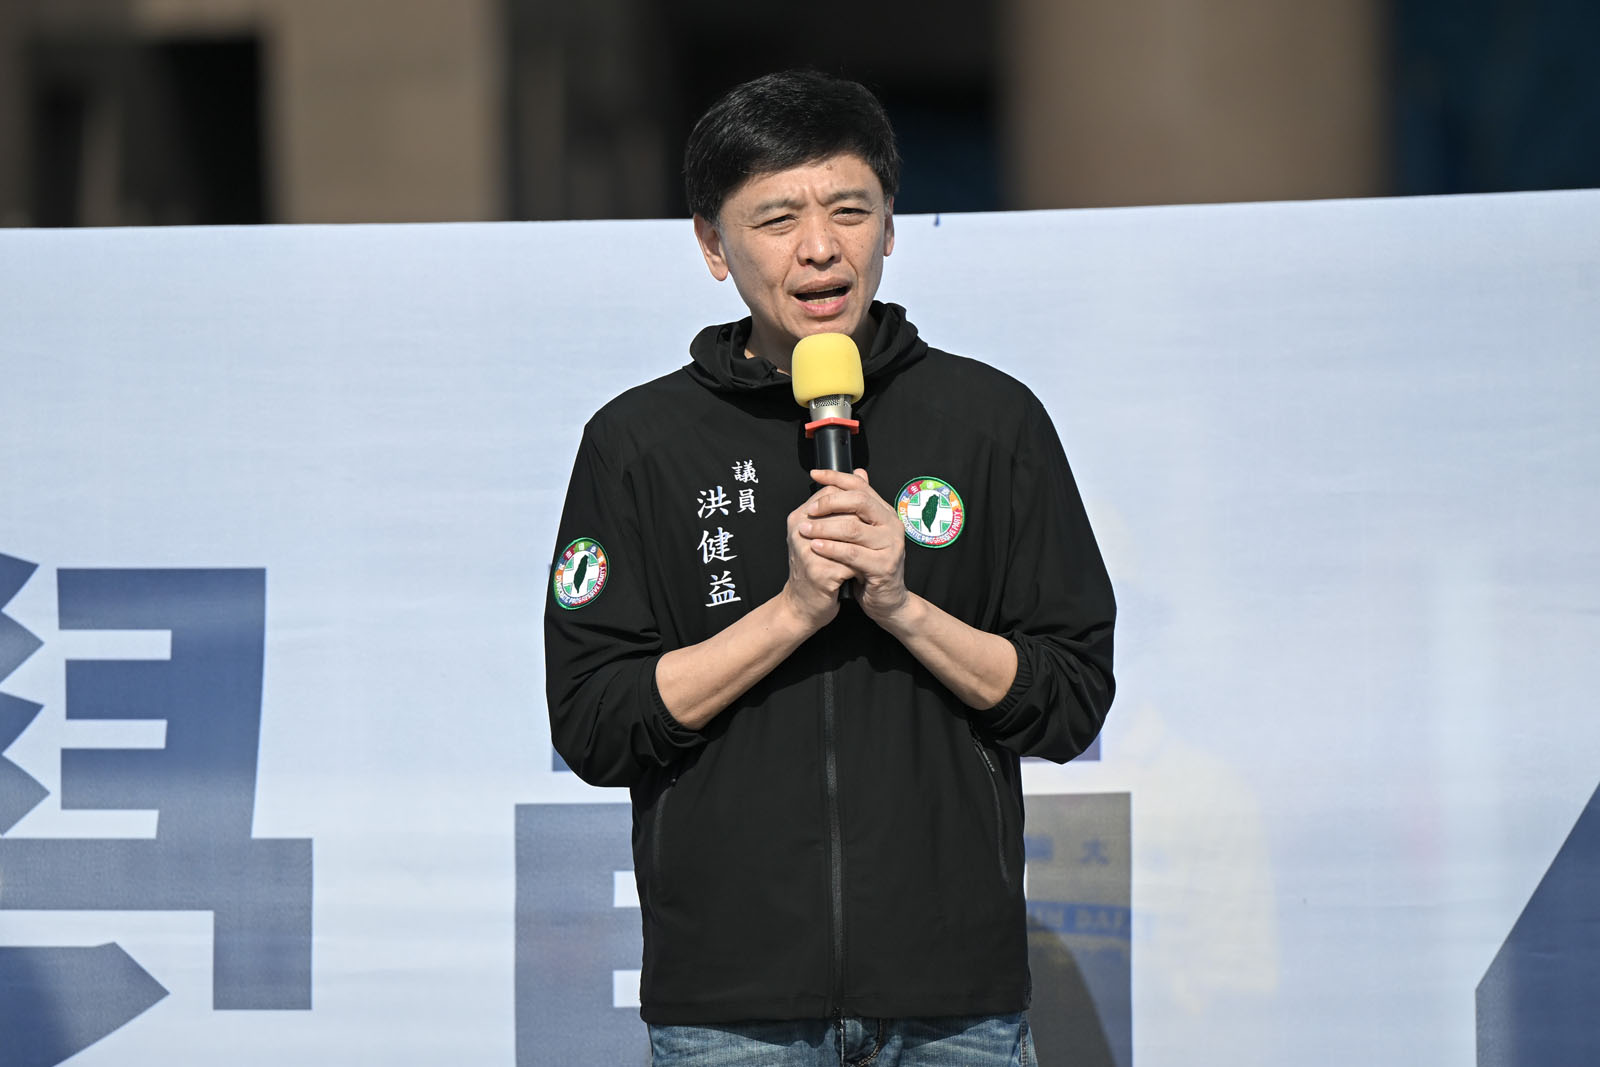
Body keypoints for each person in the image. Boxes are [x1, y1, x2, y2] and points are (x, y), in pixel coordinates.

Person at [545, 70, 1115, 1066]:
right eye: (776, 218)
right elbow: (595, 721)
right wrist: (792, 610)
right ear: (712, 245)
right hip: (730, 1013)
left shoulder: (991, 422)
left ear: (889, 228)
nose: (819, 246)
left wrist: (902, 603)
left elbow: (1069, 699)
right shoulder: (638, 443)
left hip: (957, 1009)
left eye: (849, 210)